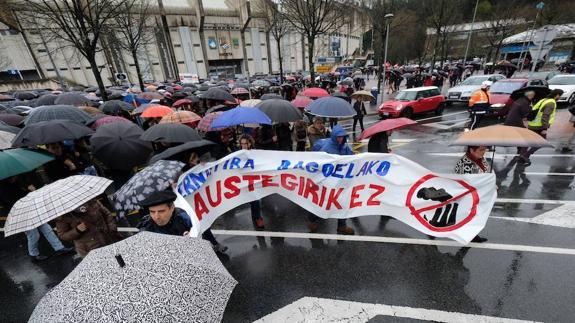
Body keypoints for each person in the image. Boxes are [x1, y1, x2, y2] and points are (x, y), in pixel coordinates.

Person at [0, 175, 74, 261]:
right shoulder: (3, 189)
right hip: (20, 213)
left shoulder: (17, 181)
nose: (16, 177)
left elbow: (24, 189)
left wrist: (29, 189)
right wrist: (28, 193)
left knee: (47, 229)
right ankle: (34, 254)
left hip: (31, 209)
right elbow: (10, 201)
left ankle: (59, 248)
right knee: (33, 235)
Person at [138, 190, 228, 253]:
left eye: (161, 211)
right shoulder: (146, 228)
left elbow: (200, 226)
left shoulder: (184, 216)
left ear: (172, 208)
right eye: (152, 212)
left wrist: (192, 235)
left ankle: (215, 244)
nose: (156, 217)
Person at [309, 125, 355, 235]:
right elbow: (321, 166)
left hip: (341, 180)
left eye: (342, 137)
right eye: (338, 137)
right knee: (325, 202)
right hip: (328, 181)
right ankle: (312, 219)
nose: (341, 139)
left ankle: (342, 226)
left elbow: (352, 157)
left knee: (342, 202)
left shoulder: (344, 147)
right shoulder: (326, 149)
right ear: (334, 136)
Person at [55, 199, 120, 257]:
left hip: (110, 238)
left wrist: (112, 228)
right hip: (90, 249)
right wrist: (77, 230)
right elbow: (63, 235)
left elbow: (107, 214)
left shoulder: (91, 201)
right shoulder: (62, 216)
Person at [454, 146, 489, 243]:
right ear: (471, 150)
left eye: (484, 149)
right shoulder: (466, 164)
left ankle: (472, 235)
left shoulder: (480, 159)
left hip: (476, 193)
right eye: (481, 150)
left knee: (463, 214)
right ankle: (472, 235)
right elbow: (468, 183)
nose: (484, 152)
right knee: (468, 214)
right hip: (466, 194)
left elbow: (485, 174)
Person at [519, 89, 564, 166]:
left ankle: (521, 157)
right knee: (542, 142)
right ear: (557, 95)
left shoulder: (543, 100)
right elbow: (545, 116)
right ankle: (526, 156)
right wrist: (544, 128)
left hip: (532, 124)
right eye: (560, 95)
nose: (560, 97)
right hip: (539, 126)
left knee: (529, 141)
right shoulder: (551, 103)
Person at [239, 135, 266, 230]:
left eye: (245, 144)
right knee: (253, 200)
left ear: (249, 143)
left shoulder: (255, 153)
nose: (243, 146)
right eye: (241, 144)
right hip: (244, 181)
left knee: (256, 199)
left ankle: (257, 218)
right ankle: (256, 218)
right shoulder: (238, 154)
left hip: (255, 180)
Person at [504, 90, 535, 156]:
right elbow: (525, 113)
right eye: (533, 96)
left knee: (520, 135)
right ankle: (522, 151)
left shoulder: (520, 100)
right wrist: (531, 109)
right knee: (524, 135)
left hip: (511, 119)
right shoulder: (525, 102)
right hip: (515, 121)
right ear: (530, 96)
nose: (533, 97)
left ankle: (520, 148)